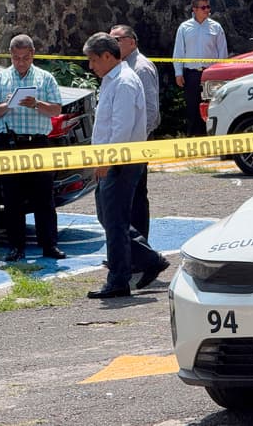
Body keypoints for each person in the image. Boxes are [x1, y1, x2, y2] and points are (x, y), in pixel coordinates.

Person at [83, 33, 169, 299]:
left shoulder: (123, 82)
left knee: (115, 221)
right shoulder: (113, 80)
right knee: (109, 217)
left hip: (120, 161)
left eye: (93, 60)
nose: (91, 66)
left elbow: (121, 129)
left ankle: (119, 279)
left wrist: (107, 162)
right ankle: (149, 259)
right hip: (115, 161)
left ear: (108, 56)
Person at [0, 34, 66, 262]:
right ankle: (16, 247)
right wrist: (6, 105)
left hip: (37, 142)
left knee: (44, 198)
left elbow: (56, 109)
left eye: (25, 58)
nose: (21, 62)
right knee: (12, 199)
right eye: (17, 58)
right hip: (9, 143)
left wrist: (37, 104)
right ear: (11, 55)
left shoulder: (45, 78)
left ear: (33, 55)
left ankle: (49, 245)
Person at [110, 24, 159, 243]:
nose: (113, 43)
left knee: (136, 197)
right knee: (123, 198)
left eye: (117, 39)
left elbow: (150, 110)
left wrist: (138, 141)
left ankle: (140, 248)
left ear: (132, 41)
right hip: (125, 144)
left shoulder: (140, 68)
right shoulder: (119, 67)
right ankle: (129, 247)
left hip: (135, 145)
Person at [173, 0, 228, 137]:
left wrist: (221, 73)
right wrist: (178, 73)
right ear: (194, 9)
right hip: (191, 74)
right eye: (203, 7)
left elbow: (222, 52)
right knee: (192, 107)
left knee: (212, 106)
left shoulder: (216, 27)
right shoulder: (184, 28)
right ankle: (194, 138)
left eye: (208, 7)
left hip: (211, 74)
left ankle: (212, 136)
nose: (207, 10)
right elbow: (179, 51)